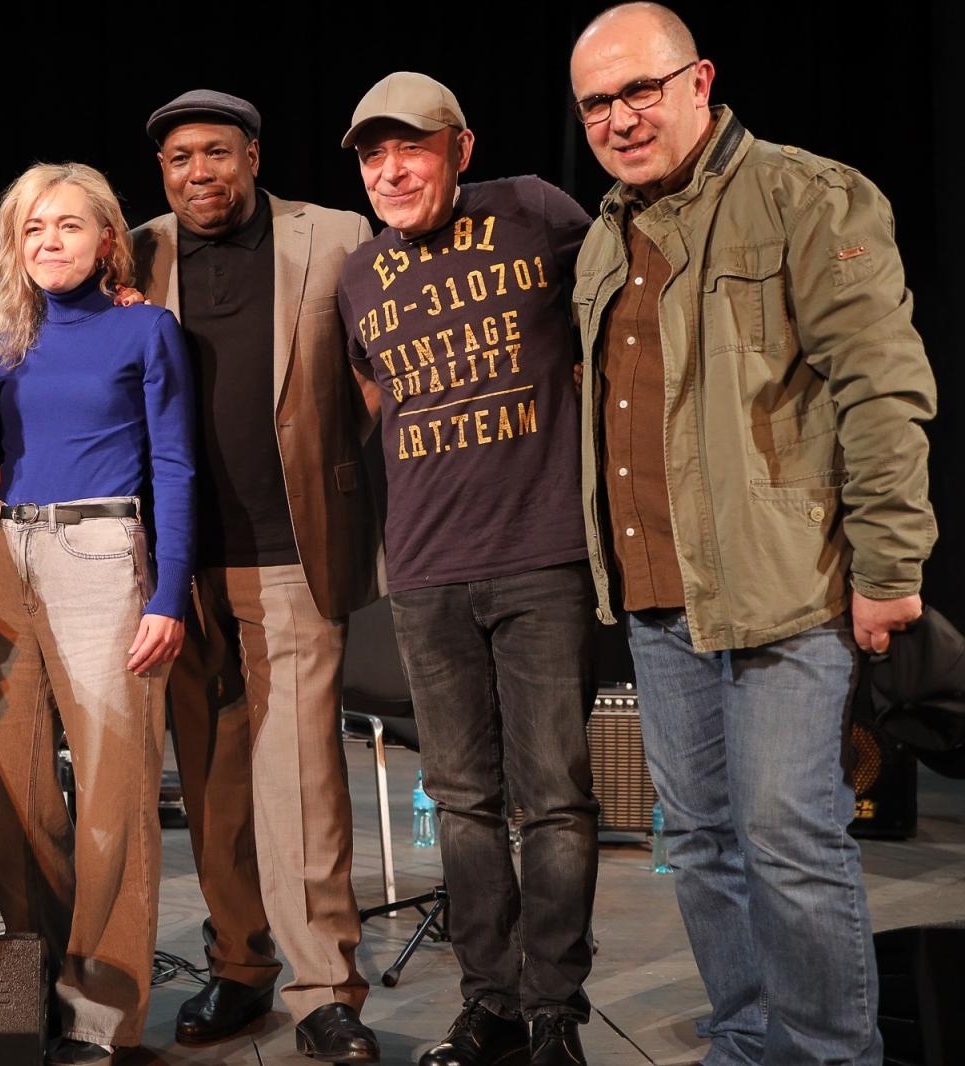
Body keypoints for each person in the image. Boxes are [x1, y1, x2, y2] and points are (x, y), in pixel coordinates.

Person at [568, 6, 936, 1065]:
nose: (620, 117)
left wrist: (889, 565)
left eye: (640, 89)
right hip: (654, 598)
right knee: (699, 842)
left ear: (699, 80)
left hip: (784, 591)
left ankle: (827, 1051)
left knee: (788, 838)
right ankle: (745, 1038)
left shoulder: (803, 194)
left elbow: (882, 389)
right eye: (596, 101)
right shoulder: (607, 234)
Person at [335, 73, 600, 1066]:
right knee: (460, 801)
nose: (392, 169)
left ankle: (555, 1013)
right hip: (426, 570)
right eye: (373, 154)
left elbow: (622, 301)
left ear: (458, 147)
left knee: (558, 799)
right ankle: (489, 1004)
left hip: (540, 555)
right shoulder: (359, 274)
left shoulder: (531, 208)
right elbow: (367, 402)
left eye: (411, 148)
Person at [130, 88, 383, 1065]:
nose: (200, 174)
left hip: (289, 554)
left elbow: (378, 368)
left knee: (303, 782)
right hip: (175, 569)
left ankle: (326, 988)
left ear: (252, 155)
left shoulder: (335, 234)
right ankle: (241, 968)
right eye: (180, 159)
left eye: (217, 154)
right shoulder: (136, 248)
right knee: (212, 787)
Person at [0, 162, 195, 1066]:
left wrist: (169, 592)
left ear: (108, 237)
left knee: (114, 795)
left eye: (68, 225)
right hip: (3, 559)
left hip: (103, 558)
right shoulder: (2, 342)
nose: (49, 242)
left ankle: (102, 1016)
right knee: (6, 796)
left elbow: (176, 467)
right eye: (31, 228)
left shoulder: (146, 328)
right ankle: (39, 984)